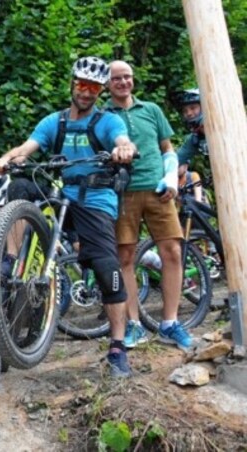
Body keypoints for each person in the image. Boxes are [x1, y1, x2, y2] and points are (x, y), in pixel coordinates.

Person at [0, 57, 137, 378]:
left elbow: (122, 140)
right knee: (21, 186)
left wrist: (123, 149)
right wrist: (4, 159)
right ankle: (13, 259)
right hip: (60, 195)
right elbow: (26, 149)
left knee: (107, 267)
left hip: (95, 200)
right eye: (81, 85)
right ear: (72, 84)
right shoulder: (53, 122)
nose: (86, 92)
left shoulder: (107, 121)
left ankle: (117, 346)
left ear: (100, 90)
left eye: (94, 87)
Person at [105, 60, 192, 352]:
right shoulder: (103, 115)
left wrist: (170, 178)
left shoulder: (152, 109)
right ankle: (133, 324)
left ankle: (170, 323)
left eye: (127, 76)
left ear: (133, 80)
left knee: (173, 252)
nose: (123, 82)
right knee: (125, 258)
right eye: (116, 78)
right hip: (122, 193)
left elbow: (168, 149)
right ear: (107, 83)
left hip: (159, 192)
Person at [173, 88, 208, 179]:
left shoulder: (223, 125)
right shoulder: (195, 139)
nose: (188, 113)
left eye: (193, 108)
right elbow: (177, 159)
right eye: (185, 111)